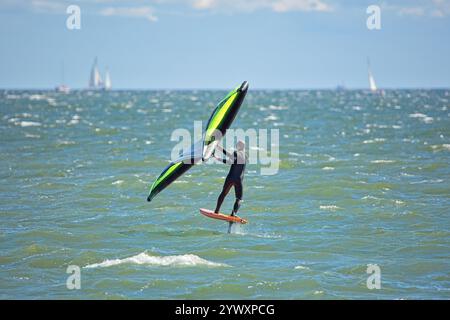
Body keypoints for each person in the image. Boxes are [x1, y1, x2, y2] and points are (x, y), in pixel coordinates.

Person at [213, 140, 246, 218]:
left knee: (223, 193)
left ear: (238, 146)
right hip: (238, 180)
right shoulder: (245, 155)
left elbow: (229, 162)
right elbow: (231, 156)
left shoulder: (235, 153)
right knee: (239, 199)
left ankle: (216, 211)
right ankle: (233, 214)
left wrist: (218, 159)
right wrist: (220, 148)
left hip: (231, 178)